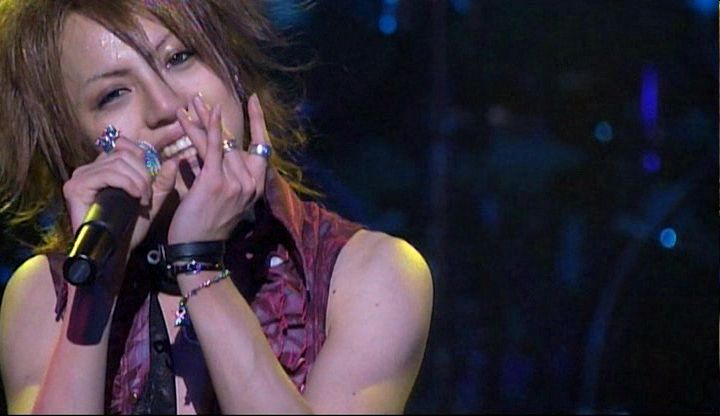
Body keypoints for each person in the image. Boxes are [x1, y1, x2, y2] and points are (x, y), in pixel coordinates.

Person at [0, 1, 433, 414]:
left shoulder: (371, 274)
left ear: (233, 66)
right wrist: (96, 287)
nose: (166, 106)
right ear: (70, 141)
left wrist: (199, 263)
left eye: (179, 58)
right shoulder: (45, 295)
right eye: (113, 94)